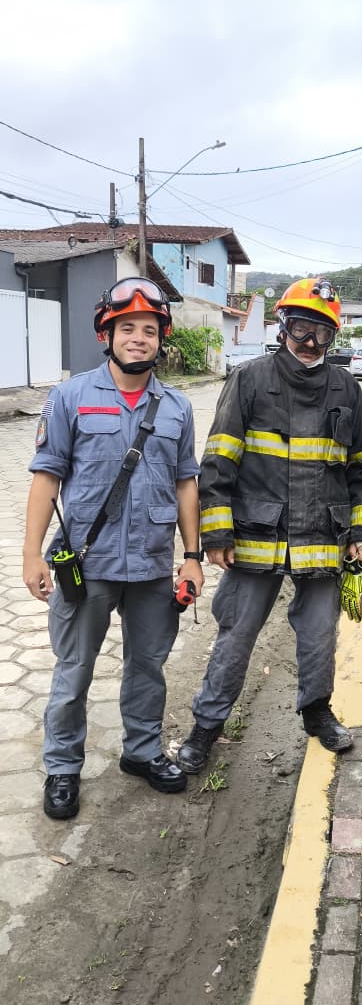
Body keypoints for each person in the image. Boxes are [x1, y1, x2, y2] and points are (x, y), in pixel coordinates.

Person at [176, 277, 362, 772]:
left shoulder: (346, 388)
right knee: (235, 636)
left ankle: (316, 713)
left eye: (321, 333)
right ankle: (206, 726)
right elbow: (219, 461)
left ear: (333, 338)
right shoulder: (249, 380)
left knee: (318, 638)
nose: (309, 342)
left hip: (322, 539)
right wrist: (218, 532)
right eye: (300, 328)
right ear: (283, 326)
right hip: (254, 538)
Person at [23, 278, 204, 820]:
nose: (138, 339)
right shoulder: (71, 397)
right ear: (108, 333)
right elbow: (45, 478)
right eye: (128, 328)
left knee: (148, 665)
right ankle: (61, 767)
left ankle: (143, 753)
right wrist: (32, 555)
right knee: (74, 667)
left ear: (160, 340)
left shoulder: (176, 407)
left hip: (151, 564)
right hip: (87, 561)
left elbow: (187, 483)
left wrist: (192, 556)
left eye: (149, 330)